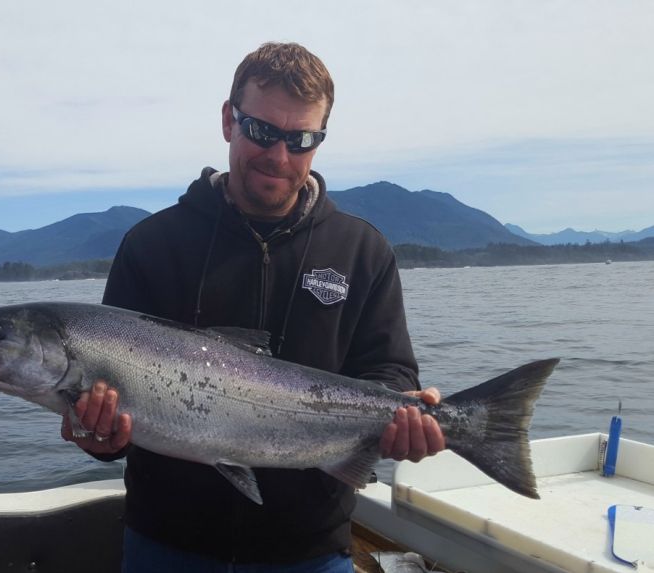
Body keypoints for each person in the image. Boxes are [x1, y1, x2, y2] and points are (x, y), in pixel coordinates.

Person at [61, 42, 445, 572]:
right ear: (228, 120)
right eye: (262, 132)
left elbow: (389, 369)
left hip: (310, 551)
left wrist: (404, 415)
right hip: (167, 546)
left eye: (301, 139)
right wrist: (95, 435)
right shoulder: (152, 245)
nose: (279, 156)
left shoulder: (362, 251)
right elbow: (111, 423)